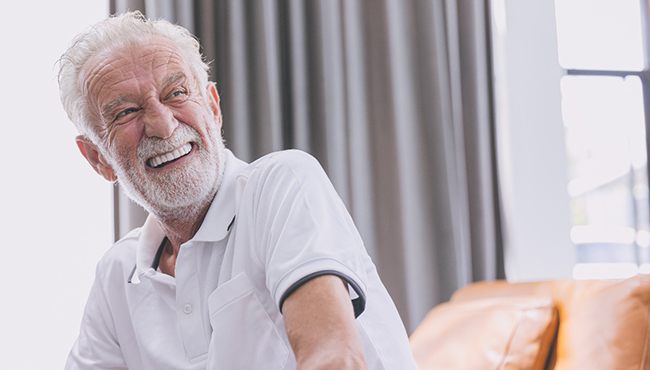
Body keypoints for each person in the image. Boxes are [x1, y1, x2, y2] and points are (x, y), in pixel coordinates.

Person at [59, 11, 417, 370]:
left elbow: (335, 357)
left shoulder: (281, 184)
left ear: (213, 108)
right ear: (97, 158)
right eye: (126, 112)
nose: (162, 125)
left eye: (177, 93)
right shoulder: (117, 275)